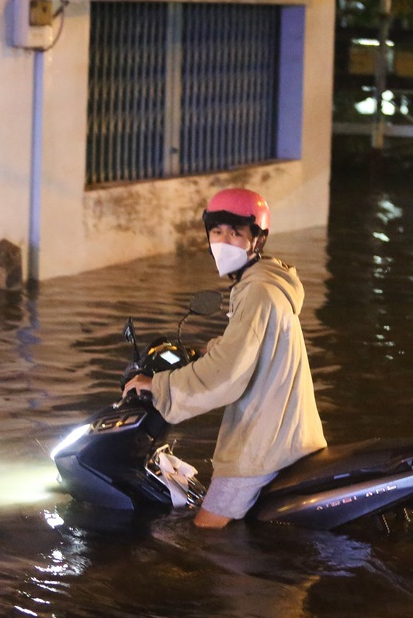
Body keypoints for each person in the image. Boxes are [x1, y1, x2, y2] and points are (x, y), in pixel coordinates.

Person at [123, 188, 326, 529]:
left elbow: (226, 374)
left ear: (256, 240)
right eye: (216, 232)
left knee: (205, 531)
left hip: (263, 442)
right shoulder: (265, 283)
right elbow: (251, 345)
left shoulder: (258, 292)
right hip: (289, 430)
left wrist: (158, 385)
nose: (224, 241)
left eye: (236, 233)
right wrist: (211, 348)